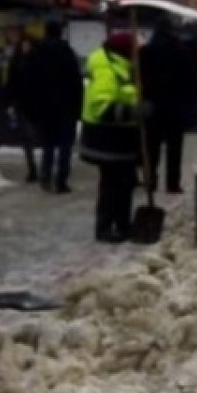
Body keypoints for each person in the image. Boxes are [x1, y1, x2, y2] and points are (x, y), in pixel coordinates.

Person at [80, 31, 141, 243]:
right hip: (107, 140)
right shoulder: (106, 69)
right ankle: (105, 228)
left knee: (124, 184)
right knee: (112, 186)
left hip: (121, 140)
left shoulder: (122, 66)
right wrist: (133, 112)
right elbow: (102, 108)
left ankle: (123, 225)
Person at [139, 17, 197, 194]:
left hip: (152, 106)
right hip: (175, 106)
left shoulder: (145, 52)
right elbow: (191, 81)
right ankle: (172, 183)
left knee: (151, 147)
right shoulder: (180, 51)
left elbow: (137, 77)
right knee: (174, 147)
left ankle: (150, 181)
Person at [26, 22, 84, 193]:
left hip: (45, 108)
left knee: (48, 145)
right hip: (66, 107)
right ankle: (61, 180)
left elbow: (30, 83)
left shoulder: (36, 54)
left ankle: (45, 177)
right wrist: (77, 109)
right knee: (65, 146)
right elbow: (76, 83)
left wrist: (33, 108)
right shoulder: (68, 54)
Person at [4, 35, 40, 183]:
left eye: (28, 45)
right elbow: (10, 83)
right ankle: (32, 168)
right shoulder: (16, 62)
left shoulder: (36, 61)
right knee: (27, 136)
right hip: (22, 104)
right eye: (24, 45)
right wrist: (10, 102)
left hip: (34, 104)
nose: (26, 47)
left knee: (32, 135)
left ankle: (35, 167)